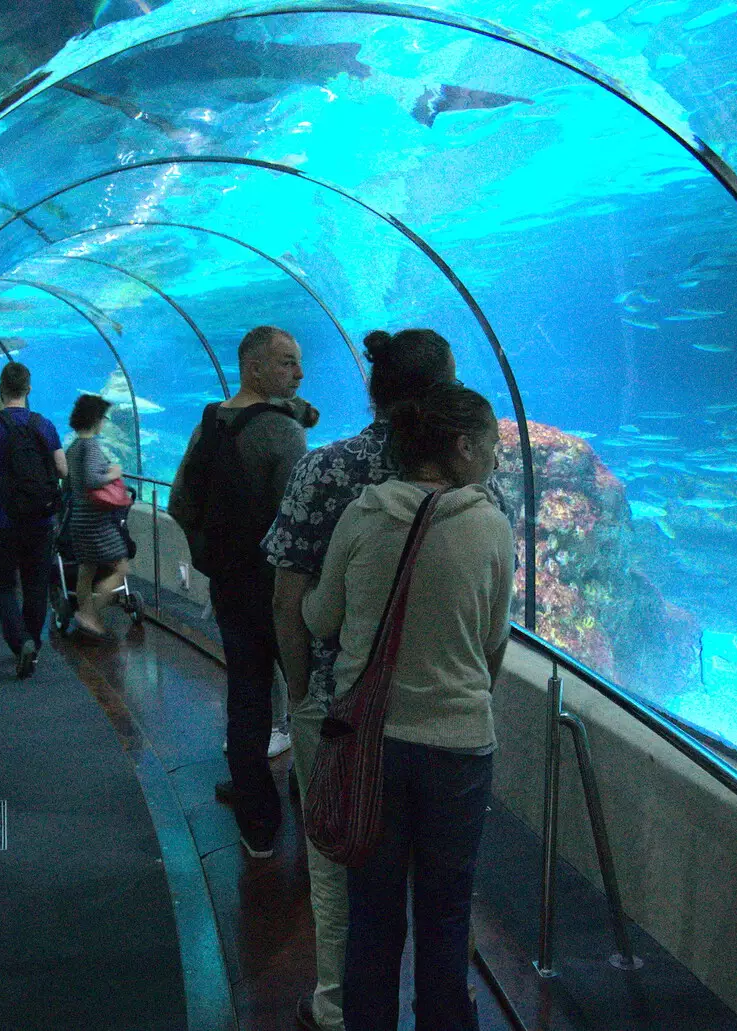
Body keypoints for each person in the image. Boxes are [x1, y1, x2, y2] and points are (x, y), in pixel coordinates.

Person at [264, 327, 464, 1031]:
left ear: (374, 388)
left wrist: (299, 695)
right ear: (444, 390)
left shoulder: (325, 469)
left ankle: (337, 1007)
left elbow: (290, 601)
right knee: (436, 886)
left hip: (337, 702)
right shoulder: (466, 485)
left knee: (338, 862)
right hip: (435, 711)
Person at [301, 382, 511, 1031]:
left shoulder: (365, 514)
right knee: (446, 912)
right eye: (494, 446)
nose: (499, 459)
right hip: (459, 748)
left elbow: (321, 616)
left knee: (373, 911)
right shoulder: (490, 525)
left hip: (373, 742)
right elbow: (492, 644)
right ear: (463, 445)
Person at [169, 325, 308, 859]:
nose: (299, 373)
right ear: (256, 368)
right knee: (306, 694)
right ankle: (310, 799)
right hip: (281, 594)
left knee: (246, 695)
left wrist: (216, 553)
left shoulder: (210, 423)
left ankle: (256, 817)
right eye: (288, 362)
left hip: (229, 584)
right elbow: (301, 522)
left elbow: (180, 503)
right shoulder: (280, 433)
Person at [0, 362, 67, 679]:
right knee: (36, 585)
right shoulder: (45, 425)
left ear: (0, 389)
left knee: (2, 587)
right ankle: (34, 645)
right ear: (29, 389)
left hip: (1, 519)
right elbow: (63, 470)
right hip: (40, 520)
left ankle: (20, 641)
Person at [65, 393, 130, 639]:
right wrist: (114, 473)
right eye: (103, 417)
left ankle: (86, 615)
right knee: (121, 567)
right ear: (95, 419)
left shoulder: (72, 448)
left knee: (87, 570)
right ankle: (90, 615)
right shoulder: (90, 446)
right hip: (96, 521)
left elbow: (69, 484)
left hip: (79, 518)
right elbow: (94, 479)